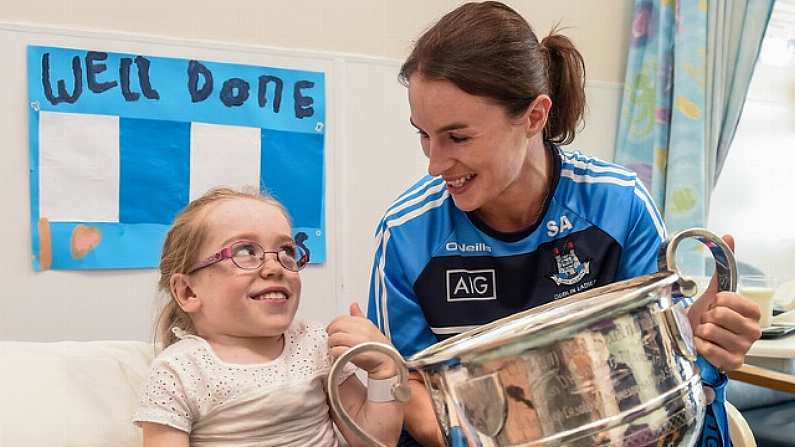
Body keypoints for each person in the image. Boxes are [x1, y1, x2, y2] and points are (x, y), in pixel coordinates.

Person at [365, 2, 761, 446]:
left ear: (535, 116)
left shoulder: (619, 207)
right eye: (423, 133)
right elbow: (408, 390)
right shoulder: (406, 235)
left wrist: (698, 338)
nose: (435, 164)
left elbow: (658, 373)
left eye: (458, 137)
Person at [133, 187, 403, 447]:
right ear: (189, 292)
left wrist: (383, 369)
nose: (275, 267)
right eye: (245, 252)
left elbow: (378, 440)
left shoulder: (315, 344)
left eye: (287, 251)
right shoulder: (179, 370)